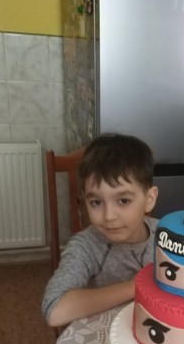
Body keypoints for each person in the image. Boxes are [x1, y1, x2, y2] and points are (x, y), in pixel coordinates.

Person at [42, 133, 158, 327]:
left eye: (123, 201)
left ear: (149, 199)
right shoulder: (86, 246)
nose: (109, 216)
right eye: (96, 202)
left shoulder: (168, 237)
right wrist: (135, 287)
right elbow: (55, 311)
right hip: (103, 333)